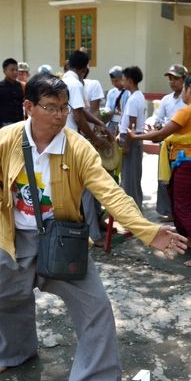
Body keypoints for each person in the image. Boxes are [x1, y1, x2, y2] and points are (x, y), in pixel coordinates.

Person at [0, 74, 188, 381]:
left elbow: (110, 193)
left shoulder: (77, 146)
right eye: (50, 107)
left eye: (64, 107)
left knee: (96, 307)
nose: (59, 115)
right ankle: (12, 353)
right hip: (15, 237)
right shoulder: (6, 139)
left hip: (62, 239)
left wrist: (147, 231)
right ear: (29, 107)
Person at [130, 74, 191, 267]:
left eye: (185, 88)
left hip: (186, 166)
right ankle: (189, 239)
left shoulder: (188, 111)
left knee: (184, 209)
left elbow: (161, 135)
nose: (183, 92)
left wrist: (135, 137)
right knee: (185, 207)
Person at [61, 51, 113, 244]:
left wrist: (100, 124)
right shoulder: (75, 84)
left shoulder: (63, 81)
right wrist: (95, 138)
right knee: (88, 189)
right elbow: (78, 117)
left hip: (63, 141)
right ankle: (93, 234)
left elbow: (81, 111)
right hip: (73, 142)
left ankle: (81, 228)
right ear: (83, 69)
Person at [146, 65, 189, 220]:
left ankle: (181, 211)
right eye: (170, 79)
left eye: (176, 78)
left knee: (181, 180)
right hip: (167, 144)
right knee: (166, 178)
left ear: (184, 79)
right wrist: (156, 125)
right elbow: (158, 119)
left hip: (183, 145)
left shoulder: (189, 100)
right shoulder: (166, 99)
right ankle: (169, 211)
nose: (172, 82)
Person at [117, 66, 147, 208]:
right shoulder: (137, 96)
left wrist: (127, 145)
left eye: (123, 79)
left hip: (131, 140)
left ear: (130, 80)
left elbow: (132, 125)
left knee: (130, 179)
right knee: (130, 177)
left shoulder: (134, 99)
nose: (122, 82)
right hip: (132, 138)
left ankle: (134, 211)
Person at [0, 58, 25, 128]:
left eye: (16, 70)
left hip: (20, 123)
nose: (15, 72)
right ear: (4, 71)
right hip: (5, 124)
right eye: (12, 70)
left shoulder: (20, 86)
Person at [104, 66, 127, 134]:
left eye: (116, 81)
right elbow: (108, 107)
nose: (114, 83)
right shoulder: (111, 92)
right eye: (112, 81)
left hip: (123, 123)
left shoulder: (128, 93)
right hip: (112, 122)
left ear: (122, 79)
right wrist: (106, 111)